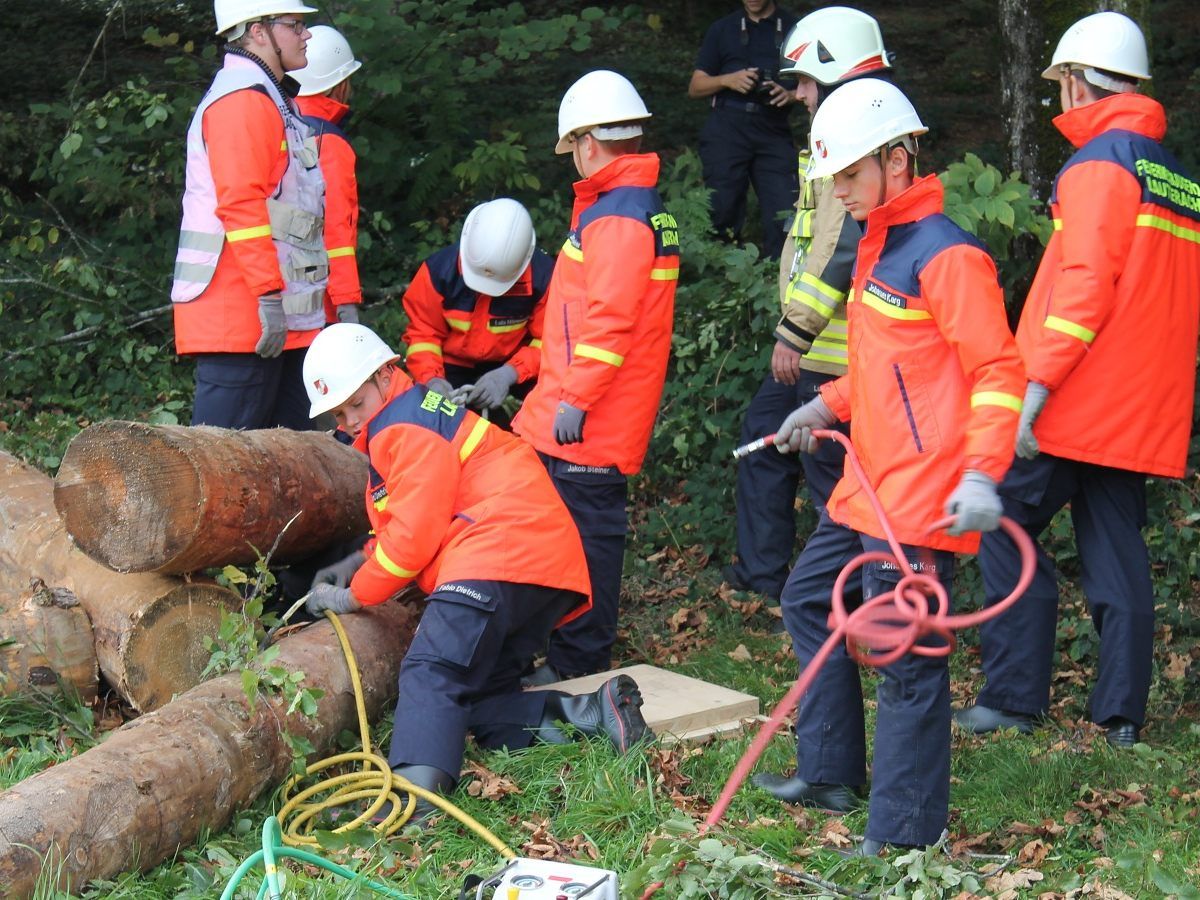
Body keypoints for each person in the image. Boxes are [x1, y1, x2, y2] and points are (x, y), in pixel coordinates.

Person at [753, 79, 1025, 855]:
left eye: (849, 176)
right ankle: (832, 772)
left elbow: (998, 373)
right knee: (810, 601)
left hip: (916, 496)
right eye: (832, 179)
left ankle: (907, 839)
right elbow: (892, 367)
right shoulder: (879, 243)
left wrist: (981, 473)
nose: (840, 192)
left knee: (906, 662)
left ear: (897, 162)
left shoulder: (946, 255)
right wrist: (827, 404)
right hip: (866, 484)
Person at [954, 12, 1200, 749]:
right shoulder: (1177, 177)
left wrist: (1036, 385)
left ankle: (1013, 697)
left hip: (1079, 396)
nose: (1056, 101)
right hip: (1143, 407)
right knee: (1117, 553)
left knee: (1001, 520)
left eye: (1059, 84)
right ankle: (1120, 715)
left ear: (1079, 81)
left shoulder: (1099, 164)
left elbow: (1084, 287)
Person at [301, 323, 652, 809]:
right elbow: (413, 512)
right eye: (339, 414)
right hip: (538, 565)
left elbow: (413, 537)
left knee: (431, 672)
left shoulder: (403, 425)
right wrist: (357, 559)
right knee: (481, 702)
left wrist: (356, 592)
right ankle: (595, 713)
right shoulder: (414, 416)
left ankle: (415, 806)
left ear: (386, 374)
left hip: (497, 550)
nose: (351, 420)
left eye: (355, 404)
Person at [513, 70, 679, 683]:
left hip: (592, 420)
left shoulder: (619, 217)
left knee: (587, 547)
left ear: (587, 142)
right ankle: (561, 659)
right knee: (566, 538)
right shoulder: (624, 209)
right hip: (582, 409)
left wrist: (576, 398)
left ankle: (578, 671)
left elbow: (610, 322)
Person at [725, 6, 892, 604]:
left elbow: (840, 247)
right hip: (815, 347)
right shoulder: (848, 139)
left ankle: (844, 602)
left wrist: (794, 332)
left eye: (805, 81)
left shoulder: (860, 148)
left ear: (838, 75)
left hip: (830, 352)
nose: (797, 93)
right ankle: (767, 582)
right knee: (764, 442)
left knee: (833, 480)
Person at [172, 0, 329, 430]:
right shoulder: (242, 102)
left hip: (273, 316)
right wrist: (267, 296)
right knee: (224, 474)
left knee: (289, 473)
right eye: (295, 25)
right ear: (258, 32)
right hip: (245, 319)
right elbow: (242, 205)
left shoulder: (273, 101)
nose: (306, 34)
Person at [402, 199, 553, 427]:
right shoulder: (437, 273)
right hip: (450, 366)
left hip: (515, 362)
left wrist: (509, 374)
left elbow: (551, 341)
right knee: (428, 420)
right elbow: (423, 335)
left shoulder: (544, 279)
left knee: (550, 406)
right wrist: (431, 379)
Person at [688, 0, 800, 259]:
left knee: (784, 206)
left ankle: (777, 273)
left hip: (773, 127)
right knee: (721, 205)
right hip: (727, 126)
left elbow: (817, 82)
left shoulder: (794, 29)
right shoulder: (723, 29)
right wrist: (728, 79)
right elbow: (695, 86)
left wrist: (792, 95)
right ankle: (721, 272)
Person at [293, 25, 364, 327]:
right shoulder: (328, 142)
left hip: (271, 290)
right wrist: (346, 301)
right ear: (339, 85)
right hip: (316, 301)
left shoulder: (279, 124)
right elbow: (336, 228)